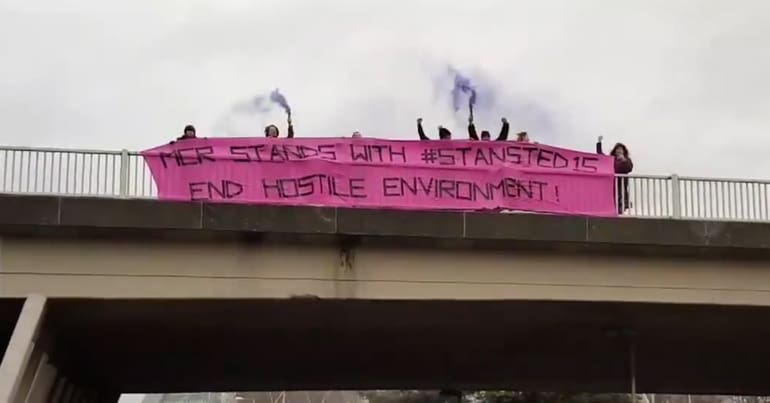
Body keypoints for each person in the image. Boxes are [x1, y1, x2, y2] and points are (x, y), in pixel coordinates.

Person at [597, 135, 634, 214]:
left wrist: (623, 159)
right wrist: (599, 143)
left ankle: (619, 214)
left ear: (624, 151)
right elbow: (601, 156)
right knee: (611, 202)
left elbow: (629, 168)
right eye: (617, 149)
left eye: (621, 149)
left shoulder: (627, 160)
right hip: (611, 185)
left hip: (622, 186)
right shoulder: (611, 159)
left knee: (620, 204)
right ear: (615, 151)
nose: (619, 151)